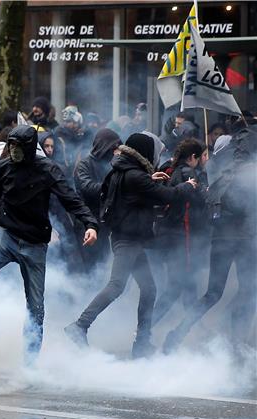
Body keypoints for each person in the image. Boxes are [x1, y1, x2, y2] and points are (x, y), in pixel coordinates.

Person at [0, 125, 99, 363]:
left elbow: (71, 199)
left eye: (19, 146)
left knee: (36, 304)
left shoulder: (48, 170)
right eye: (12, 146)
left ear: (29, 147)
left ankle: (30, 360)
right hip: (6, 233)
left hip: (35, 242)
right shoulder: (3, 167)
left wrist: (90, 224)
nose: (14, 151)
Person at [65, 133, 198, 357]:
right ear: (144, 153)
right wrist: (187, 186)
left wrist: (150, 179)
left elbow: (136, 191)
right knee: (117, 285)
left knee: (149, 289)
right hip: (128, 240)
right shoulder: (135, 175)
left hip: (130, 238)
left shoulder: (121, 171)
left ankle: (142, 342)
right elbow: (167, 196)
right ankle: (79, 326)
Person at [163, 126, 256, 353]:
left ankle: (177, 334)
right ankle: (236, 343)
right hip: (245, 241)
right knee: (248, 290)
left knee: (213, 293)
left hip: (221, 241)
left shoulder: (223, 176)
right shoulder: (251, 175)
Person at [152, 138, 209, 324]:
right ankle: (146, 326)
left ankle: (189, 328)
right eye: (204, 156)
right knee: (176, 286)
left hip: (169, 235)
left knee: (187, 283)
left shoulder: (171, 169)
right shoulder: (187, 173)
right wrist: (205, 186)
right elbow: (201, 202)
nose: (206, 160)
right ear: (193, 157)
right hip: (179, 236)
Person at [75, 128, 122, 269]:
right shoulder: (84, 165)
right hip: (87, 222)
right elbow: (88, 188)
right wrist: (112, 186)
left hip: (104, 223)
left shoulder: (111, 165)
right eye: (112, 147)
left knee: (102, 264)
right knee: (90, 266)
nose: (114, 151)